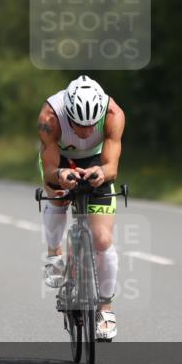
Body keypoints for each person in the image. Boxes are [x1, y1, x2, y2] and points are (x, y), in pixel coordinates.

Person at [37, 76, 125, 341]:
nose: (85, 132)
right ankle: (54, 253)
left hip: (97, 159)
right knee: (58, 196)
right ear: (68, 114)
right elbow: (50, 168)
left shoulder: (113, 114)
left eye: (90, 125)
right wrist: (60, 175)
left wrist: (102, 172)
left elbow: (112, 166)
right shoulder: (50, 116)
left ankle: (106, 310)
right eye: (78, 124)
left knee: (102, 239)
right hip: (61, 158)